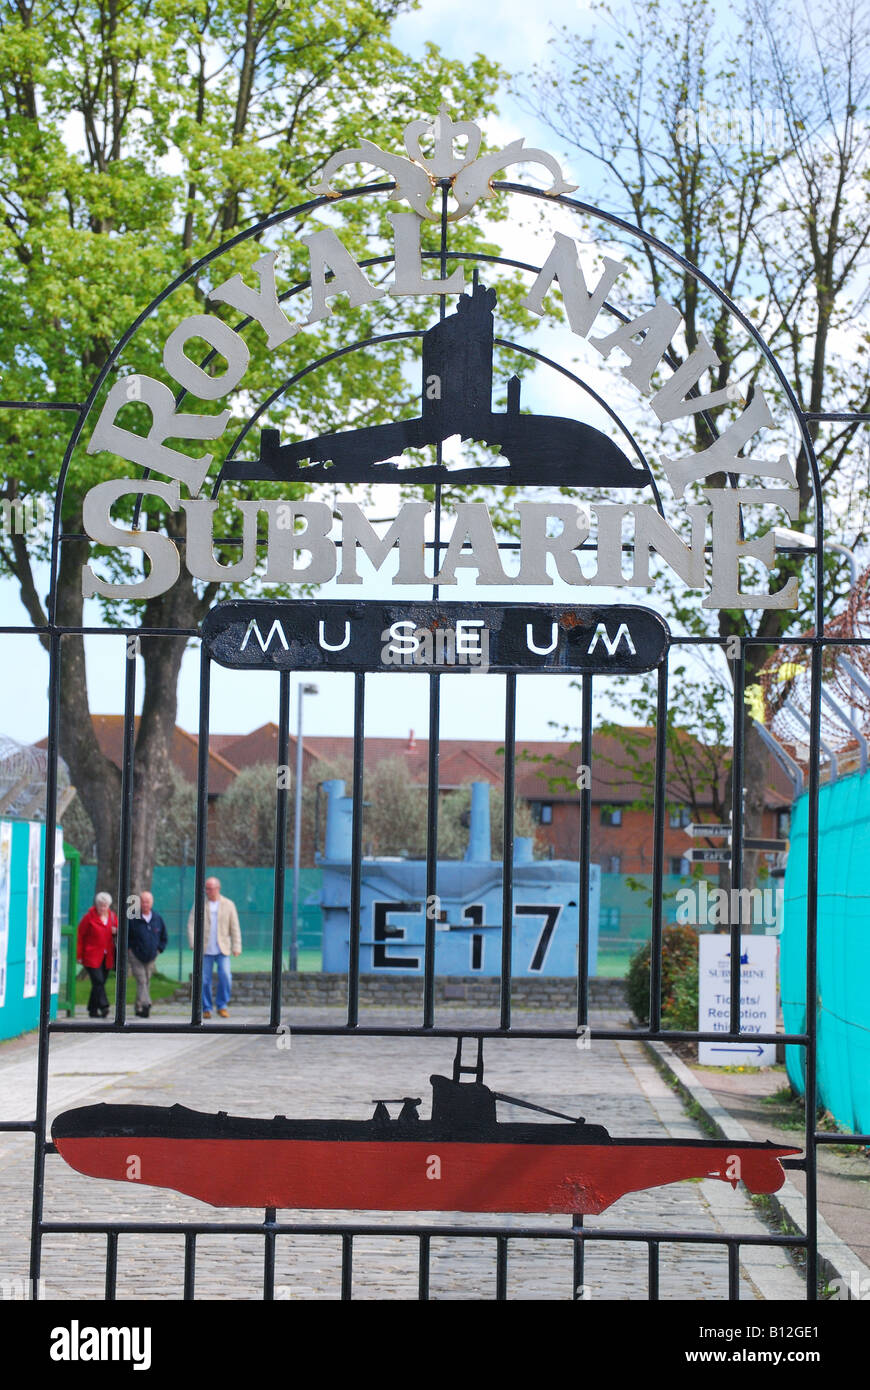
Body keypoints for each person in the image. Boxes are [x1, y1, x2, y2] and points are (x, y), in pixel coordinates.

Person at [187, 876, 241, 1018]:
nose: (209, 891)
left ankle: (222, 1005)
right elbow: (191, 924)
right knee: (204, 980)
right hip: (204, 950)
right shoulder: (199, 904)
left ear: (218, 888)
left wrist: (237, 946)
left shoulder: (229, 904)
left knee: (225, 976)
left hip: (222, 949)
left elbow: (234, 927)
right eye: (207, 888)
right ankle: (206, 1008)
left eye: (211, 888)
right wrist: (193, 943)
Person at [76, 892, 118, 1019]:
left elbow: (118, 930)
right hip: (91, 955)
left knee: (99, 984)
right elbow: (80, 936)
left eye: (105, 906)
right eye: (100, 905)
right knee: (98, 981)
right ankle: (104, 1006)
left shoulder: (112, 917)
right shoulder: (88, 917)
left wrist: (116, 931)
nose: (102, 908)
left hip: (107, 956)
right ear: (96, 905)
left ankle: (92, 1009)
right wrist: (79, 955)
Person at [127, 890, 168, 1018]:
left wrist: (159, 949)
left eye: (148, 901)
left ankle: (139, 1007)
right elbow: (126, 936)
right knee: (142, 980)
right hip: (136, 956)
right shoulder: (133, 919)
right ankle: (146, 1003)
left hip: (151, 956)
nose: (145, 904)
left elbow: (163, 937)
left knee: (146, 981)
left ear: (152, 902)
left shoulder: (157, 918)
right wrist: (129, 949)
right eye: (143, 901)